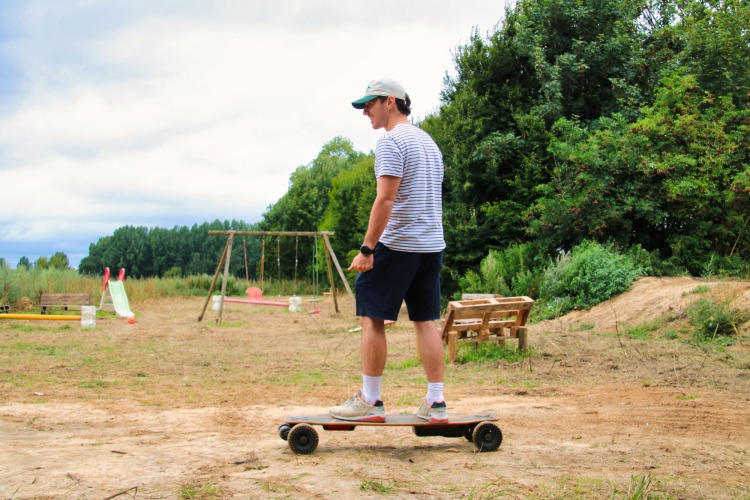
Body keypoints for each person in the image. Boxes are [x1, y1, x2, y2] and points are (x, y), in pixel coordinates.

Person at [329, 78, 447, 423]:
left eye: (370, 104)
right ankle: (436, 403)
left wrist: (367, 249)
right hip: (431, 246)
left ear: (390, 101)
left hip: (398, 244)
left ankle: (370, 400)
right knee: (425, 320)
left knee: (371, 315)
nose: (365, 111)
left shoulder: (391, 141)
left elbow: (385, 200)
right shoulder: (429, 143)